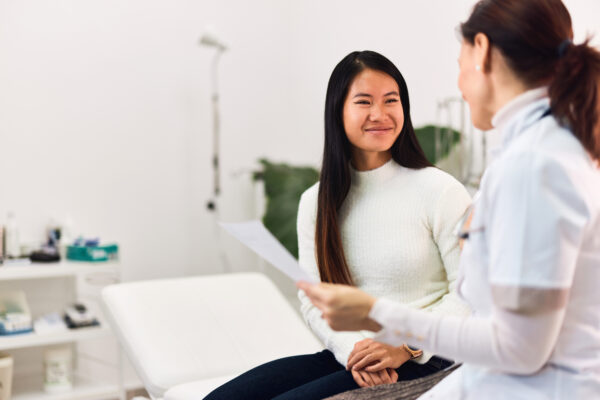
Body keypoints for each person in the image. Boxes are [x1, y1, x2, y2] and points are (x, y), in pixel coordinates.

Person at [299, 1, 600, 399]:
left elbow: (521, 349)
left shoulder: (533, 165)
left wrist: (380, 316)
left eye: (459, 63)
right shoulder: (530, 155)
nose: (458, 83)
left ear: (482, 49)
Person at [204, 50, 471, 400]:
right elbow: (314, 301)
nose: (380, 114)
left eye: (391, 101)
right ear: (338, 111)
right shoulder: (316, 201)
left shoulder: (440, 191)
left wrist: (405, 347)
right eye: (364, 102)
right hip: (352, 356)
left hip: (428, 359)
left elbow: (469, 294)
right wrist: (355, 352)